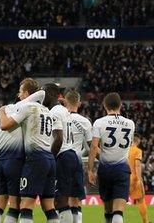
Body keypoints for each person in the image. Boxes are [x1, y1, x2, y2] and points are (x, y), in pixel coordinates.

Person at [0, 83, 63, 223]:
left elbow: (4, 125)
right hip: (50, 159)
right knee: (49, 207)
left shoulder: (29, 107)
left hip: (35, 159)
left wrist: (1, 111)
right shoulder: (49, 112)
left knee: (26, 206)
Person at [0, 78, 44, 223]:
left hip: (0, 161)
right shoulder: (23, 108)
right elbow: (42, 94)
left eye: (20, 91)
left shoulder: (1, 112)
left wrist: (1, 152)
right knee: (15, 206)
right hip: (15, 161)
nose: (18, 94)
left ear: (25, 93)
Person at [88, 93, 135, 223]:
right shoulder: (130, 124)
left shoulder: (99, 122)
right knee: (118, 210)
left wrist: (90, 170)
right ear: (120, 105)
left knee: (108, 211)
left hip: (105, 169)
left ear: (105, 106)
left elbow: (93, 147)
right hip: (122, 169)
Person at [50, 85, 80, 223]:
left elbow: (59, 138)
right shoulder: (64, 110)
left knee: (61, 200)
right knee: (62, 199)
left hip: (62, 155)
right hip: (71, 154)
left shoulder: (55, 111)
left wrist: (50, 158)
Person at [64, 90, 92, 223]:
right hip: (76, 161)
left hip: (60, 160)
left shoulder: (58, 118)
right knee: (76, 200)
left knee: (62, 200)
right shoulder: (85, 122)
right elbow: (89, 147)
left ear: (65, 102)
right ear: (79, 103)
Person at [128, 136, 149, 223]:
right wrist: (139, 180)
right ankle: (146, 221)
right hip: (133, 177)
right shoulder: (137, 150)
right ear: (138, 141)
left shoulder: (125, 150)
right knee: (140, 200)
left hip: (123, 176)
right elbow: (137, 165)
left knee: (118, 201)